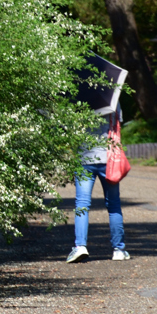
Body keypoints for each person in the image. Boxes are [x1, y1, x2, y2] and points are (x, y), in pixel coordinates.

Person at [66, 104, 129, 262]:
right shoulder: (112, 96)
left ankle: (80, 246)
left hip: (84, 158)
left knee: (82, 204)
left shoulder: (80, 97)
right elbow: (118, 121)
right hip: (108, 159)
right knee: (113, 205)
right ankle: (118, 250)